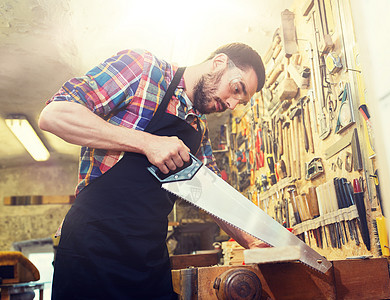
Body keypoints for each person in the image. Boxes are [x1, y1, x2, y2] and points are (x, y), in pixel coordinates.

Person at [39, 42, 267, 299]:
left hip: (147, 258)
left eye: (241, 101)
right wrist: (147, 142)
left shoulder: (198, 130)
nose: (232, 104)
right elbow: (55, 115)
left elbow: (213, 195)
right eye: (236, 89)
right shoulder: (143, 69)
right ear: (219, 63)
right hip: (92, 249)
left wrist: (255, 242)